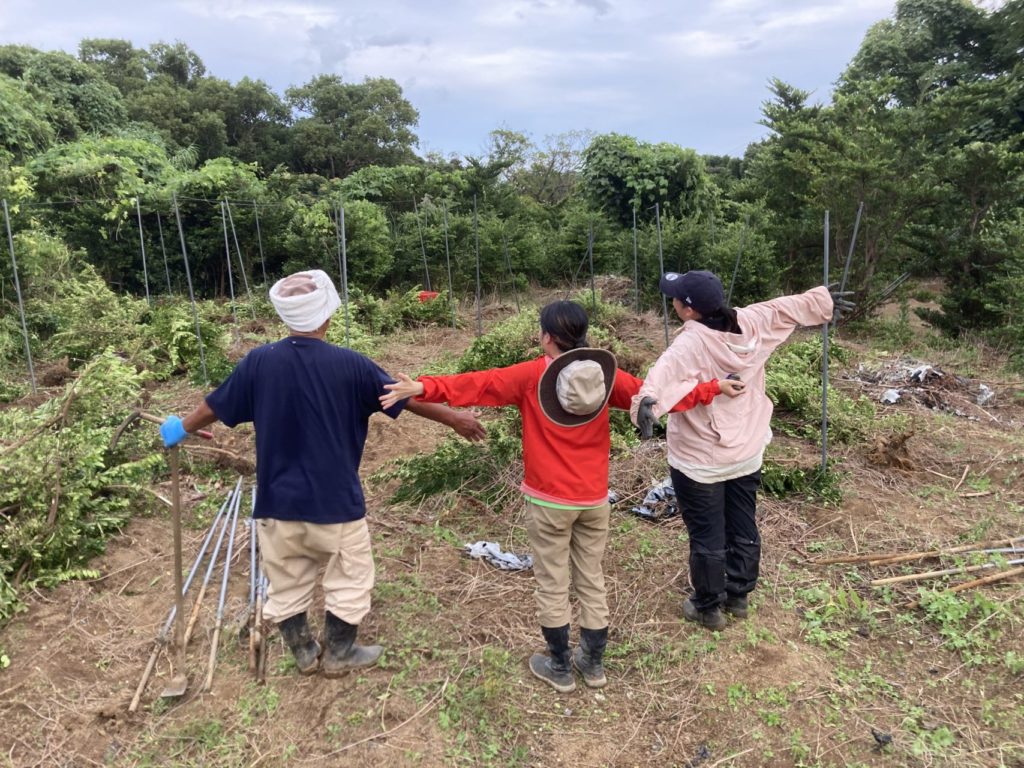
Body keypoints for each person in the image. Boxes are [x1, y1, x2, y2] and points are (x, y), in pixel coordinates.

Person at [380, 300, 745, 692]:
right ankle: (593, 665)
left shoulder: (532, 375)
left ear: (547, 337)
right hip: (593, 500)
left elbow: (479, 383)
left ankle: (558, 666)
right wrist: (713, 388)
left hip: (548, 501)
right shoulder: (607, 377)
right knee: (591, 579)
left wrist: (423, 386)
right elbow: (655, 397)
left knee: (552, 582)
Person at [159, 270, 484, 677]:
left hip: (277, 501)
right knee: (350, 577)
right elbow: (403, 397)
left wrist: (179, 429)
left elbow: (213, 406)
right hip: (336, 503)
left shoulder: (259, 362)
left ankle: (303, 651)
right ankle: (340, 653)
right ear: (328, 315)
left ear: (285, 316)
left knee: (286, 578)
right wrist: (453, 418)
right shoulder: (352, 365)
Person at [632, 270, 852, 631]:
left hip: (700, 461)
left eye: (675, 297)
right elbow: (787, 308)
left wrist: (645, 404)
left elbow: (662, 376)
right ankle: (738, 594)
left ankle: (707, 606)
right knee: (742, 522)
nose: (671, 301)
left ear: (688, 311)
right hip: (747, 450)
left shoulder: (690, 344)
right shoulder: (750, 321)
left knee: (707, 533)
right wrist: (823, 301)